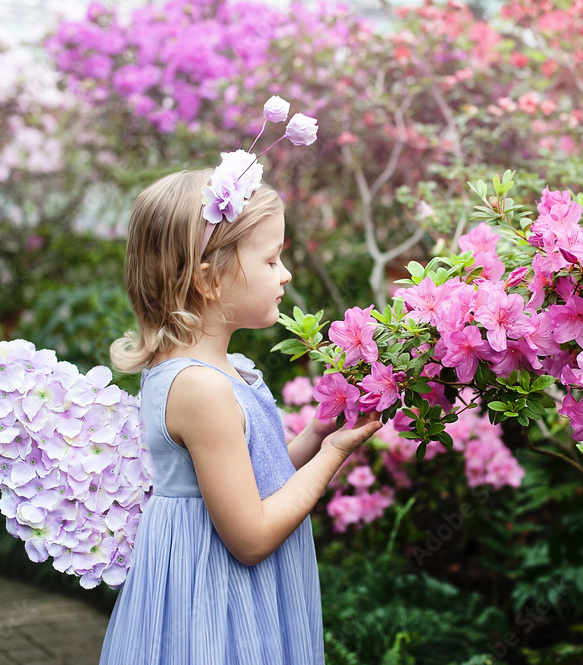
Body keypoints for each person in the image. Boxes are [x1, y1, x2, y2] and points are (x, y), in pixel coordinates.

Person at [98, 157, 383, 663]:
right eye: (272, 260)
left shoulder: (227, 369)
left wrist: (316, 433)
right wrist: (334, 453)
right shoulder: (199, 389)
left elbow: (256, 479)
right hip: (217, 598)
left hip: (234, 587)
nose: (287, 274)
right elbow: (250, 536)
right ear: (209, 280)